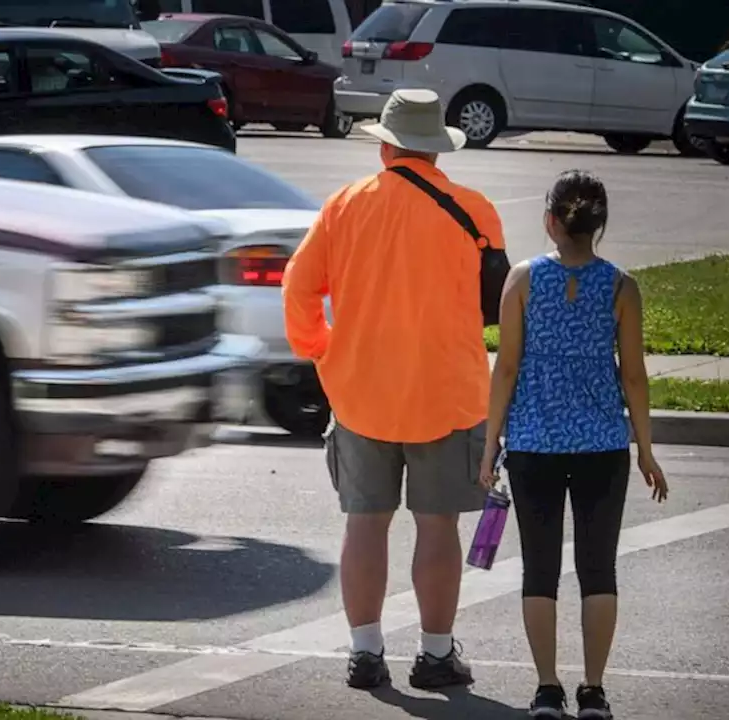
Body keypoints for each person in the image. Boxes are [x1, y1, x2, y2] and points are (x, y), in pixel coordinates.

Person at [282, 88, 506, 690]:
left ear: (384, 146)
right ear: (437, 149)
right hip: (448, 392)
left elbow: (298, 289)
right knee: (438, 527)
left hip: (361, 392)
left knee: (365, 523)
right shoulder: (475, 209)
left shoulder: (344, 205)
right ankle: (435, 656)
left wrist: (321, 348)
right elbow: (496, 304)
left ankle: (365, 652)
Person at [477, 170, 669, 719]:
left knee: (539, 568)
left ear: (550, 221)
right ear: (599, 226)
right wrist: (646, 450)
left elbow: (507, 366)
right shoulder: (620, 287)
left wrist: (491, 443)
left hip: (534, 442)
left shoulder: (521, 279)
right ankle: (593, 690)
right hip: (603, 445)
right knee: (597, 568)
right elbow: (633, 375)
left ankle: (545, 689)